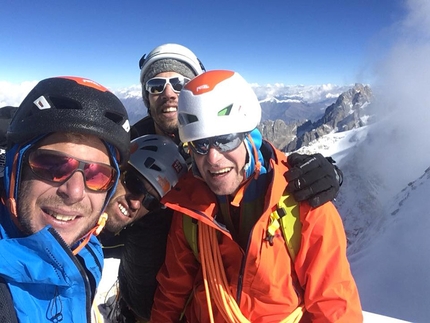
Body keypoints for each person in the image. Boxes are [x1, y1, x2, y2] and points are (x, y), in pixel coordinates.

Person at [102, 43, 344, 322]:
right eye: (156, 85)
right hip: (140, 301)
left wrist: (328, 172)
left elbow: (332, 302)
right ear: (146, 95)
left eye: (179, 83)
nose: (168, 93)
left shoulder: (251, 172)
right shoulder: (125, 150)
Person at [151, 70, 362, 322]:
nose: (213, 158)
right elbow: (173, 290)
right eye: (200, 144)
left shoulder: (303, 200)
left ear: (249, 137)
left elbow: (333, 305)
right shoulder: (190, 205)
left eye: (225, 140)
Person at [0, 76, 130, 322]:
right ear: (15, 169)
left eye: (97, 175)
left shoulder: (85, 250)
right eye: (52, 164)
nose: (75, 192)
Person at [100, 134, 187, 321]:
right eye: (135, 184)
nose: (136, 203)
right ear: (117, 169)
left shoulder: (150, 229)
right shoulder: (68, 216)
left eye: (150, 201)